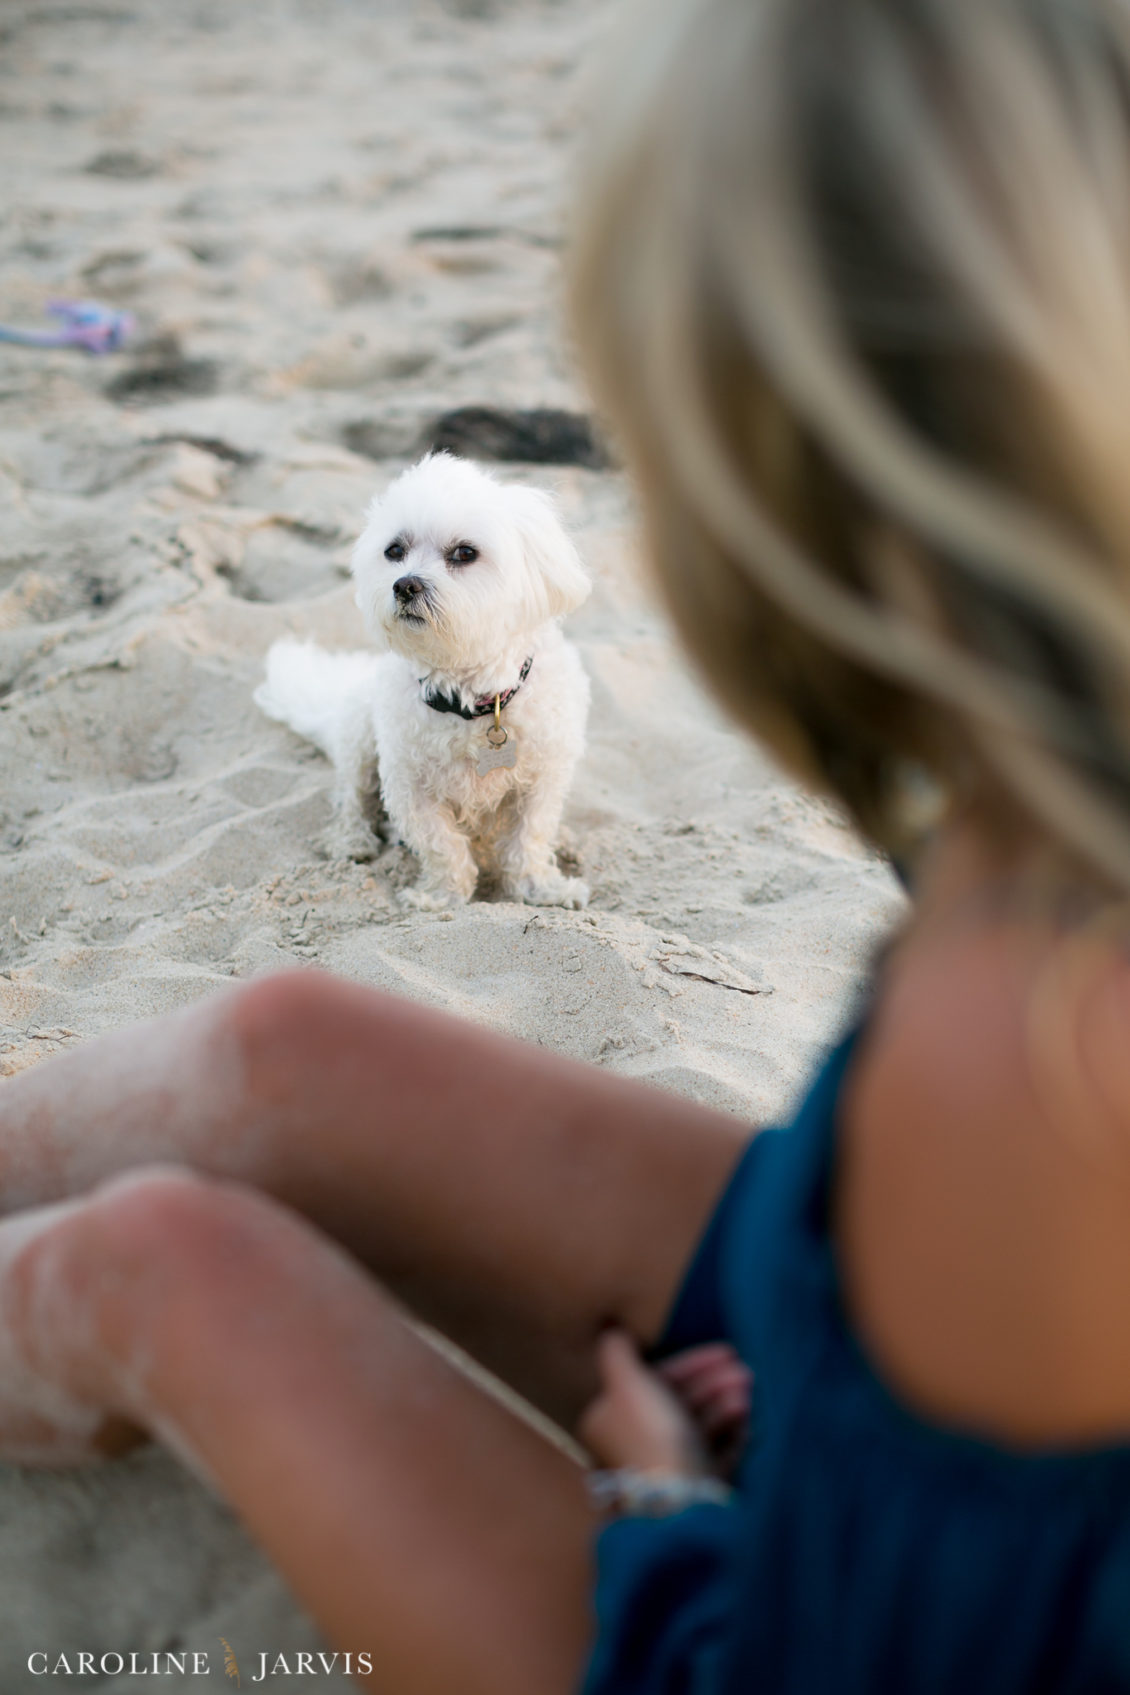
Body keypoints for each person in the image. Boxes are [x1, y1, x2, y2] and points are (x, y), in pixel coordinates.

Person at [3, 0, 1130, 1689]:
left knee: (167, 1264)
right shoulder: (1040, 757)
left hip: (835, 1600)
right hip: (913, 1300)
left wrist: (664, 1508)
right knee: (281, 1047)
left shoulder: (1038, 1025)